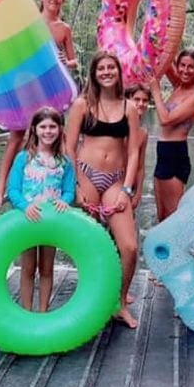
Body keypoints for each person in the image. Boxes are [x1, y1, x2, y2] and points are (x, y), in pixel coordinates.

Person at [65, 52, 143, 328]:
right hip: (86, 176)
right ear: (94, 73)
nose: (107, 72)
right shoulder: (82, 105)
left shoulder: (129, 108)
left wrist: (127, 188)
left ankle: (119, 303)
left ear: (119, 73)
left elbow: (133, 151)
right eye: (102, 68)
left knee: (130, 247)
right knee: (90, 245)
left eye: (112, 68)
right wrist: (74, 185)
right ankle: (90, 303)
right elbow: (69, 147)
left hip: (116, 180)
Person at [0, 0, 78, 207]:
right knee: (17, 135)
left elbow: (73, 60)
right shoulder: (29, 24)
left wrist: (66, 63)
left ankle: (59, 188)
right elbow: (13, 56)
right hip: (27, 87)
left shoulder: (64, 29)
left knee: (57, 135)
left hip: (52, 90)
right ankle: (2, 187)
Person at [6, 107, 76, 312]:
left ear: (60, 129)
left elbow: (69, 190)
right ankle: (27, 312)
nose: (48, 131)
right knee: (28, 268)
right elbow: (13, 190)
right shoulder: (23, 158)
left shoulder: (64, 161)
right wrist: (24, 206)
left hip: (51, 222)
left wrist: (65, 201)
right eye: (43, 126)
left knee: (46, 268)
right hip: (29, 219)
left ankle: (43, 311)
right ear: (35, 129)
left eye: (52, 126)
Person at [148, 48, 194, 221]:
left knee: (173, 219)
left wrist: (156, 92)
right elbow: (165, 60)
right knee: (161, 218)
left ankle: (182, 248)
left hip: (175, 154)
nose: (185, 71)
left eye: (190, 67)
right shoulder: (179, 85)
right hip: (163, 152)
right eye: (182, 65)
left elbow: (165, 119)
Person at [40, 0, 78, 74]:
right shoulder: (31, 23)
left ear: (63, 0)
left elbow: (74, 62)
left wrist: (67, 62)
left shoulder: (64, 28)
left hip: (55, 79)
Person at [124, 84, 151, 211]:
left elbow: (140, 166)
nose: (141, 103)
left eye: (145, 100)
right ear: (128, 100)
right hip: (113, 182)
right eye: (137, 99)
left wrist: (139, 192)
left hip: (131, 187)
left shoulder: (143, 133)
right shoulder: (117, 126)